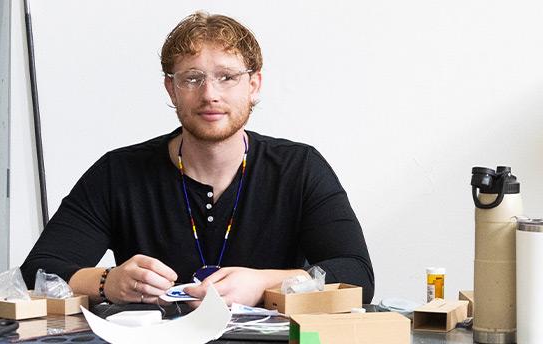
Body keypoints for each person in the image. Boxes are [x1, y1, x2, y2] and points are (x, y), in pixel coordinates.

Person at [21, 11, 373, 308]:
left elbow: (356, 275)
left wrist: (265, 283)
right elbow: (36, 271)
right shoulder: (119, 173)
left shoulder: (300, 169)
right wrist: (107, 282)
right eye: (192, 79)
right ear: (171, 89)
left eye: (227, 77)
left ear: (253, 85)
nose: (210, 94)